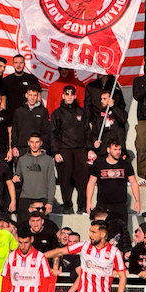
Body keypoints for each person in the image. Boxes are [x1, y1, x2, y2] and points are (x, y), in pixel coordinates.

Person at [51, 86, 91, 214]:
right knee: (65, 179)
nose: (69, 97)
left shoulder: (81, 112)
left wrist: (89, 149)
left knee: (82, 179)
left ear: (75, 96)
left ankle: (82, 206)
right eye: (67, 94)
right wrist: (55, 151)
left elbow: (87, 132)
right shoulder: (57, 113)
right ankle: (67, 205)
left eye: (71, 94)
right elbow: (53, 133)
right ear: (63, 96)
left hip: (80, 150)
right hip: (64, 150)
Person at [87, 140, 141, 221]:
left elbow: (133, 183)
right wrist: (88, 202)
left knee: (121, 230)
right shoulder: (99, 164)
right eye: (115, 149)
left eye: (119, 149)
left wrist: (137, 200)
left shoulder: (125, 164)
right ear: (108, 150)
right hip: (103, 203)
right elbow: (91, 183)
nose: (118, 152)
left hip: (120, 204)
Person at [13, 134, 55, 224]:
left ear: (41, 143)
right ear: (28, 143)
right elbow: (18, 176)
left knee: (42, 228)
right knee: (22, 227)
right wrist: (16, 178)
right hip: (25, 198)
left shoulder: (48, 160)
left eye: (36, 142)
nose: (34, 145)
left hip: (42, 198)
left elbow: (51, 181)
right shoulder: (22, 159)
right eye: (32, 142)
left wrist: (50, 202)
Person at [11, 85, 50, 158]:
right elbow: (15, 130)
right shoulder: (19, 111)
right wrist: (14, 146)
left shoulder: (43, 111)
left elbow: (46, 131)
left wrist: (44, 146)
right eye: (30, 95)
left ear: (38, 96)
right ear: (26, 95)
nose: (32, 98)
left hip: (37, 148)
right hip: (21, 147)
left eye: (34, 95)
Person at [88, 90, 127, 157]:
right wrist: (95, 141)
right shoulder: (98, 115)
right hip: (102, 150)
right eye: (101, 99)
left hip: (115, 148)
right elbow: (94, 132)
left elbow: (122, 119)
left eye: (105, 99)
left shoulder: (119, 111)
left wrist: (113, 107)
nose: (102, 101)